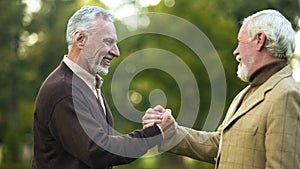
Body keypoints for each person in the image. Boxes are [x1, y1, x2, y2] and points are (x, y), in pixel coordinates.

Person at [143, 9, 300, 169]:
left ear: (260, 40)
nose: (236, 51)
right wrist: (170, 131)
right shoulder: (248, 92)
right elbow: (221, 145)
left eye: (240, 42)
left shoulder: (286, 95)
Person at [32, 6, 175, 169]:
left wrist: (150, 127)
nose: (116, 52)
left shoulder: (87, 85)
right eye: (108, 42)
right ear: (80, 39)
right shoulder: (63, 90)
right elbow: (98, 151)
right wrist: (153, 133)